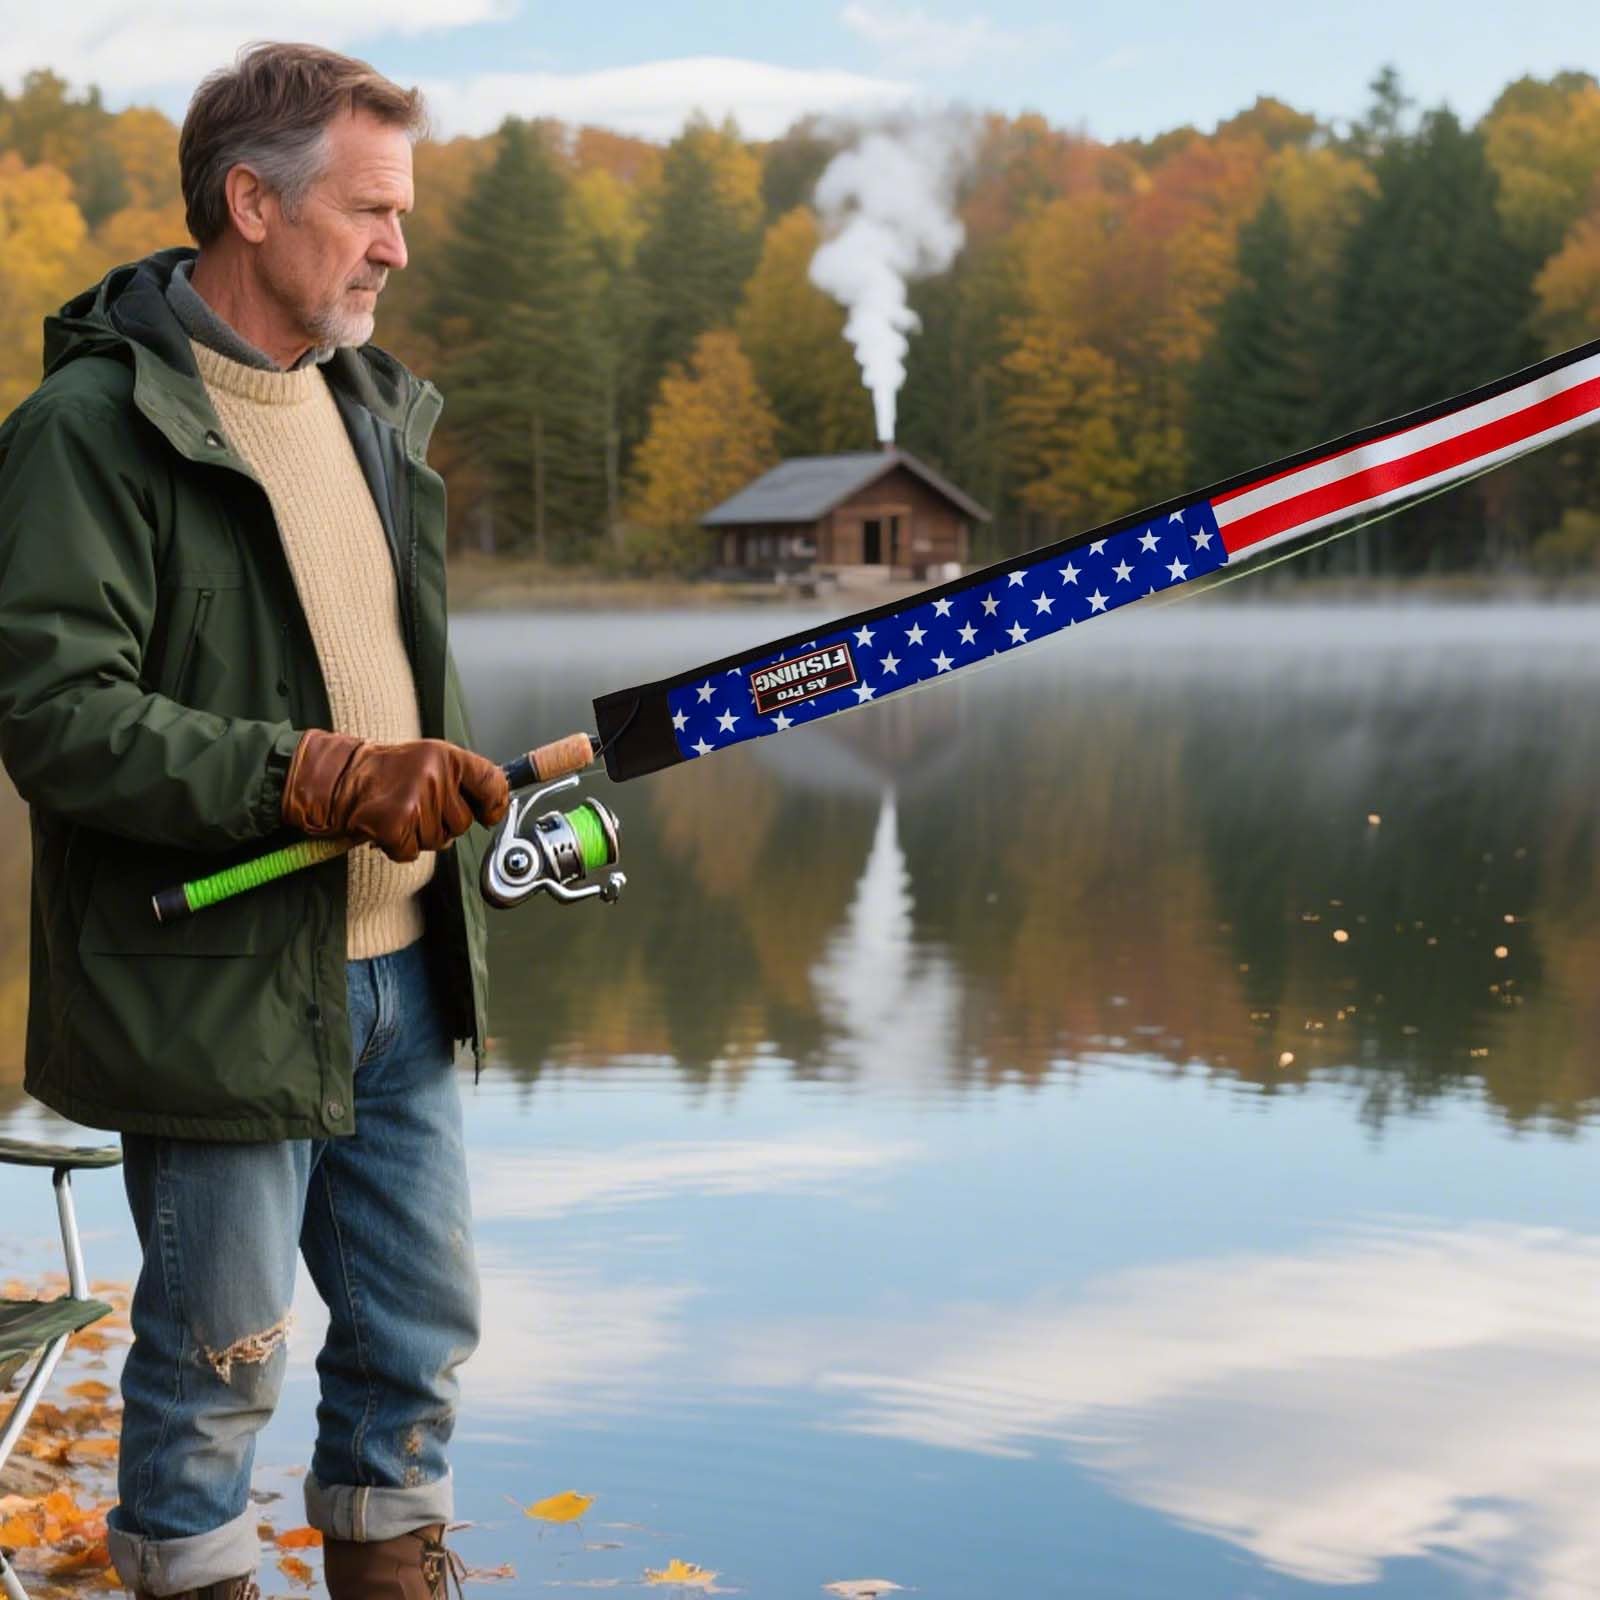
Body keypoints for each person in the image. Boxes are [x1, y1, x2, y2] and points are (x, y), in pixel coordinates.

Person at [0, 42, 509, 1600]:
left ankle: (395, 1570)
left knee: (417, 1352)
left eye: (398, 215)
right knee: (218, 1374)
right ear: (249, 201)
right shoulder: (89, 428)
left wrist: (446, 775)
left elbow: (376, 667)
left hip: (403, 979)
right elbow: (54, 719)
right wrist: (322, 778)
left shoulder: (370, 411)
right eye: (368, 211)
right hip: (213, 991)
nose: (395, 248)